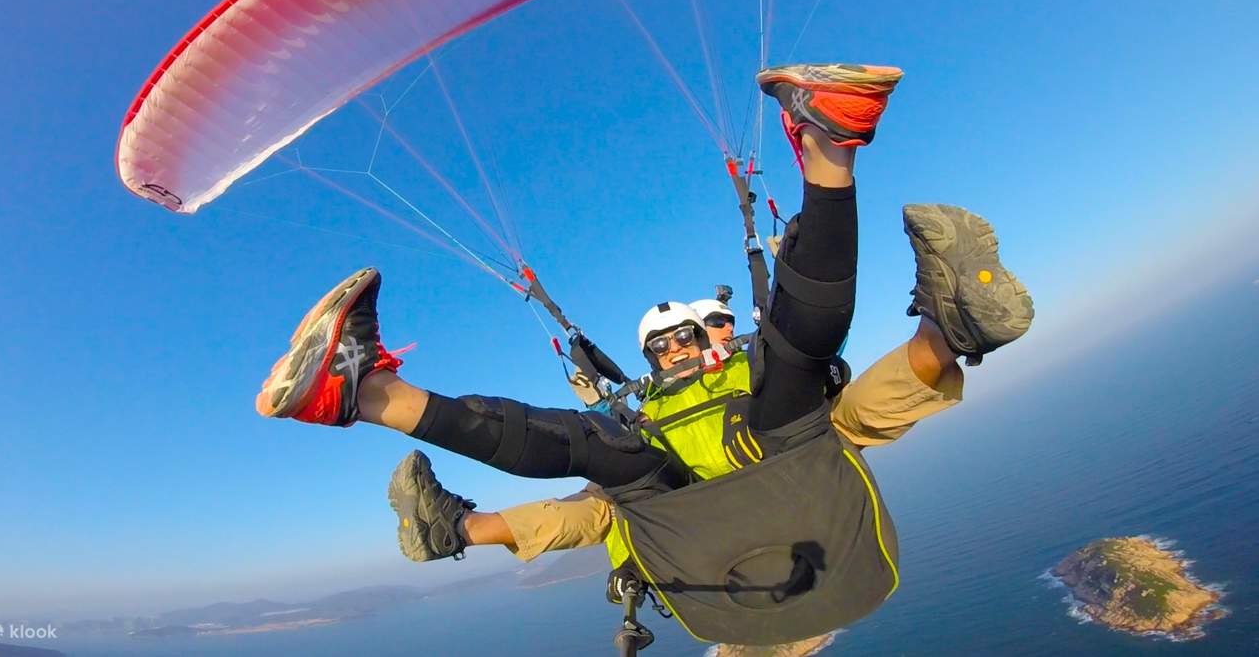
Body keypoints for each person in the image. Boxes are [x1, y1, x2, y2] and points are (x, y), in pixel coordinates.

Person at [255, 63, 1034, 643]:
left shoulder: (674, 407)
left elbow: (573, 520)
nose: (676, 352)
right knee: (795, 391)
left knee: (608, 459)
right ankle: (887, 229)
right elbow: (864, 410)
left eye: (684, 338)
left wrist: (462, 530)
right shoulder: (684, 405)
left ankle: (359, 398)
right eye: (663, 345)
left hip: (717, 523)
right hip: (783, 494)